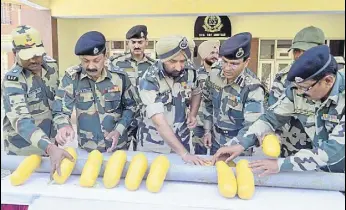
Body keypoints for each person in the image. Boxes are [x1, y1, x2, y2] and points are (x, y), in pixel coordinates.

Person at [212, 45, 345, 175]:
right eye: (297, 87)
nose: (299, 93)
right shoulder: (298, 91)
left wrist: (281, 164)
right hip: (318, 173)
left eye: (305, 88)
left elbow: (335, 150)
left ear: (328, 80)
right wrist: (240, 144)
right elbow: (270, 119)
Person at [2, 25, 73, 175]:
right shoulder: (13, 80)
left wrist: (62, 125)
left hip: (52, 147)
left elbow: (57, 101)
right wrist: (50, 147)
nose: (34, 60)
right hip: (24, 150)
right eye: (28, 56)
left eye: (38, 54)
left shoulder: (51, 66)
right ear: (15, 53)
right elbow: (21, 121)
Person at [52, 31, 137, 153]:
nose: (91, 66)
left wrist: (119, 129)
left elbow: (131, 107)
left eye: (96, 60)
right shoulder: (72, 78)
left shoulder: (119, 77)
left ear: (105, 56)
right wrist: (63, 125)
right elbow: (60, 109)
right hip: (88, 148)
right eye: (85, 61)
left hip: (117, 147)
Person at [137, 35, 206, 165]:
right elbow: (159, 122)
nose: (179, 67)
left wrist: (193, 114)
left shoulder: (189, 71)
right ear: (162, 59)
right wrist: (184, 154)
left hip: (183, 140)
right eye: (173, 62)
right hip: (156, 145)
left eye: (182, 61)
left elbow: (197, 91)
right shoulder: (149, 79)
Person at [203, 32, 265, 155]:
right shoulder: (214, 74)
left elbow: (252, 126)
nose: (227, 68)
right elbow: (207, 102)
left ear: (246, 62)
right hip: (215, 140)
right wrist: (207, 130)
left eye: (234, 64)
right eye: (225, 61)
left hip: (239, 147)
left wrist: (229, 147)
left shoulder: (252, 88)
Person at [269, 26, 325, 157]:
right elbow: (272, 110)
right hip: (290, 146)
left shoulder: (334, 77)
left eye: (304, 51)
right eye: (296, 51)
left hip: (325, 149)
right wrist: (274, 132)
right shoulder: (284, 76)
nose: (299, 55)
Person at [110, 25, 155, 151]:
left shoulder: (153, 66)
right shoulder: (116, 63)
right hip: (123, 117)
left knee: (143, 154)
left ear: (146, 42)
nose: (137, 46)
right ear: (128, 43)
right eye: (133, 42)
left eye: (140, 42)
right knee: (118, 153)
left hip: (145, 118)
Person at [193, 40, 220, 155]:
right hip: (200, 121)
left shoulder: (223, 74)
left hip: (219, 122)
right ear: (203, 55)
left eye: (217, 53)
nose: (215, 56)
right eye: (212, 52)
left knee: (218, 156)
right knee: (200, 155)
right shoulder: (196, 74)